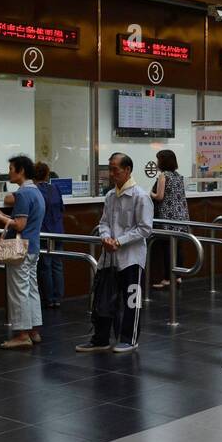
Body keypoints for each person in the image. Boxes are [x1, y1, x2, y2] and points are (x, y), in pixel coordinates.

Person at [79, 152, 153, 354]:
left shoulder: (141, 196)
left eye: (115, 169)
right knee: (103, 298)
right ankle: (100, 338)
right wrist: (105, 237)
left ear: (127, 170)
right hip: (109, 257)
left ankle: (129, 339)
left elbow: (145, 228)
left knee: (131, 301)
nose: (111, 174)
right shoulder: (111, 195)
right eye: (109, 169)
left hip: (132, 259)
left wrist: (119, 241)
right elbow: (103, 223)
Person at [0, 155, 44, 349]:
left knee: (19, 291)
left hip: (20, 249)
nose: (9, 172)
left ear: (21, 171)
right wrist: (4, 215)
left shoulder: (23, 194)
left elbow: (19, 225)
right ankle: (34, 330)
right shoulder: (36, 192)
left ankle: (22, 335)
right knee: (31, 289)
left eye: (12, 168)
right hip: (33, 247)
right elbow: (24, 219)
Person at [150, 149, 188, 289]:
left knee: (167, 248)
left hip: (167, 217)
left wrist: (150, 193)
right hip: (180, 217)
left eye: (158, 159)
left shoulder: (163, 176)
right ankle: (177, 277)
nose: (156, 162)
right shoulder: (178, 176)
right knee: (177, 248)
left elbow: (159, 196)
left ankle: (167, 278)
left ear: (163, 161)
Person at [33, 163, 65, 307]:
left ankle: (48, 298)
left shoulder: (33, 190)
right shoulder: (55, 188)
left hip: (44, 231)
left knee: (45, 265)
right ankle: (57, 298)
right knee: (57, 264)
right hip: (58, 231)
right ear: (47, 174)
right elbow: (61, 208)